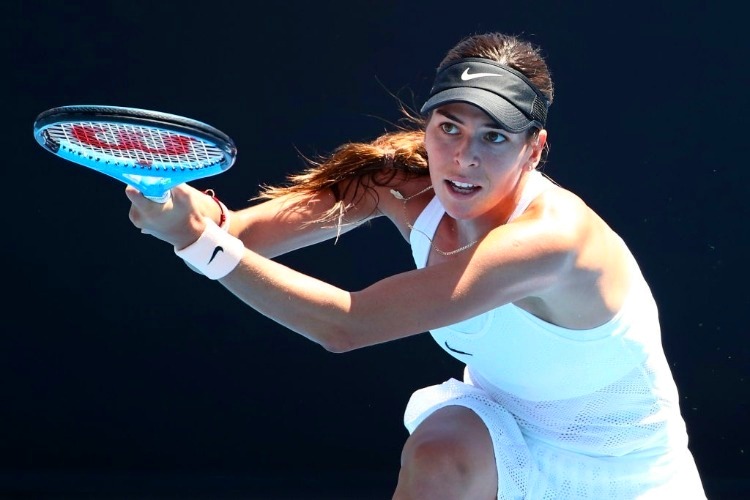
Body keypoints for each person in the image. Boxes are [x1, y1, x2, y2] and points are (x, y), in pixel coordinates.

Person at [126, 32, 706, 499]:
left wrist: (198, 243)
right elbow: (240, 235)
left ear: (535, 148)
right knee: (439, 456)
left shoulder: (552, 241)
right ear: (426, 126)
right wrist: (184, 208)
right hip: (498, 424)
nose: (463, 157)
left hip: (627, 474)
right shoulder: (402, 181)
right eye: (448, 128)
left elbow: (346, 326)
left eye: (495, 137)